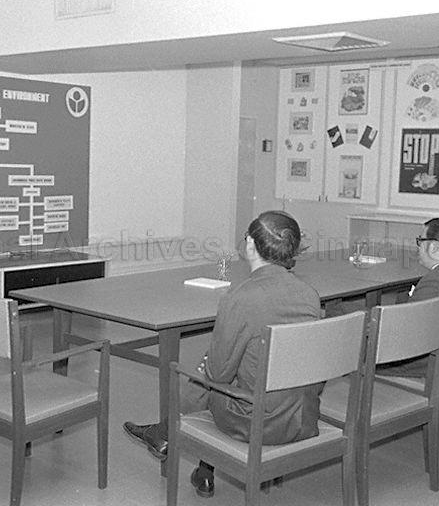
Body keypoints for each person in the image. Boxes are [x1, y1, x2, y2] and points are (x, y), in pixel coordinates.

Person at [123, 211, 322, 498]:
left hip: (254, 423)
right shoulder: (309, 295)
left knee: (210, 369)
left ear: (250, 245)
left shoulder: (239, 299)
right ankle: (189, 457)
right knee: (236, 360)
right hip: (300, 417)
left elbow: (218, 375)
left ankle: (166, 431)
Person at [378, 218, 439, 377]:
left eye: (420, 241)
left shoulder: (436, 281)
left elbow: (404, 328)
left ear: (434, 247)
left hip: (422, 362)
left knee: (346, 342)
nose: (417, 247)